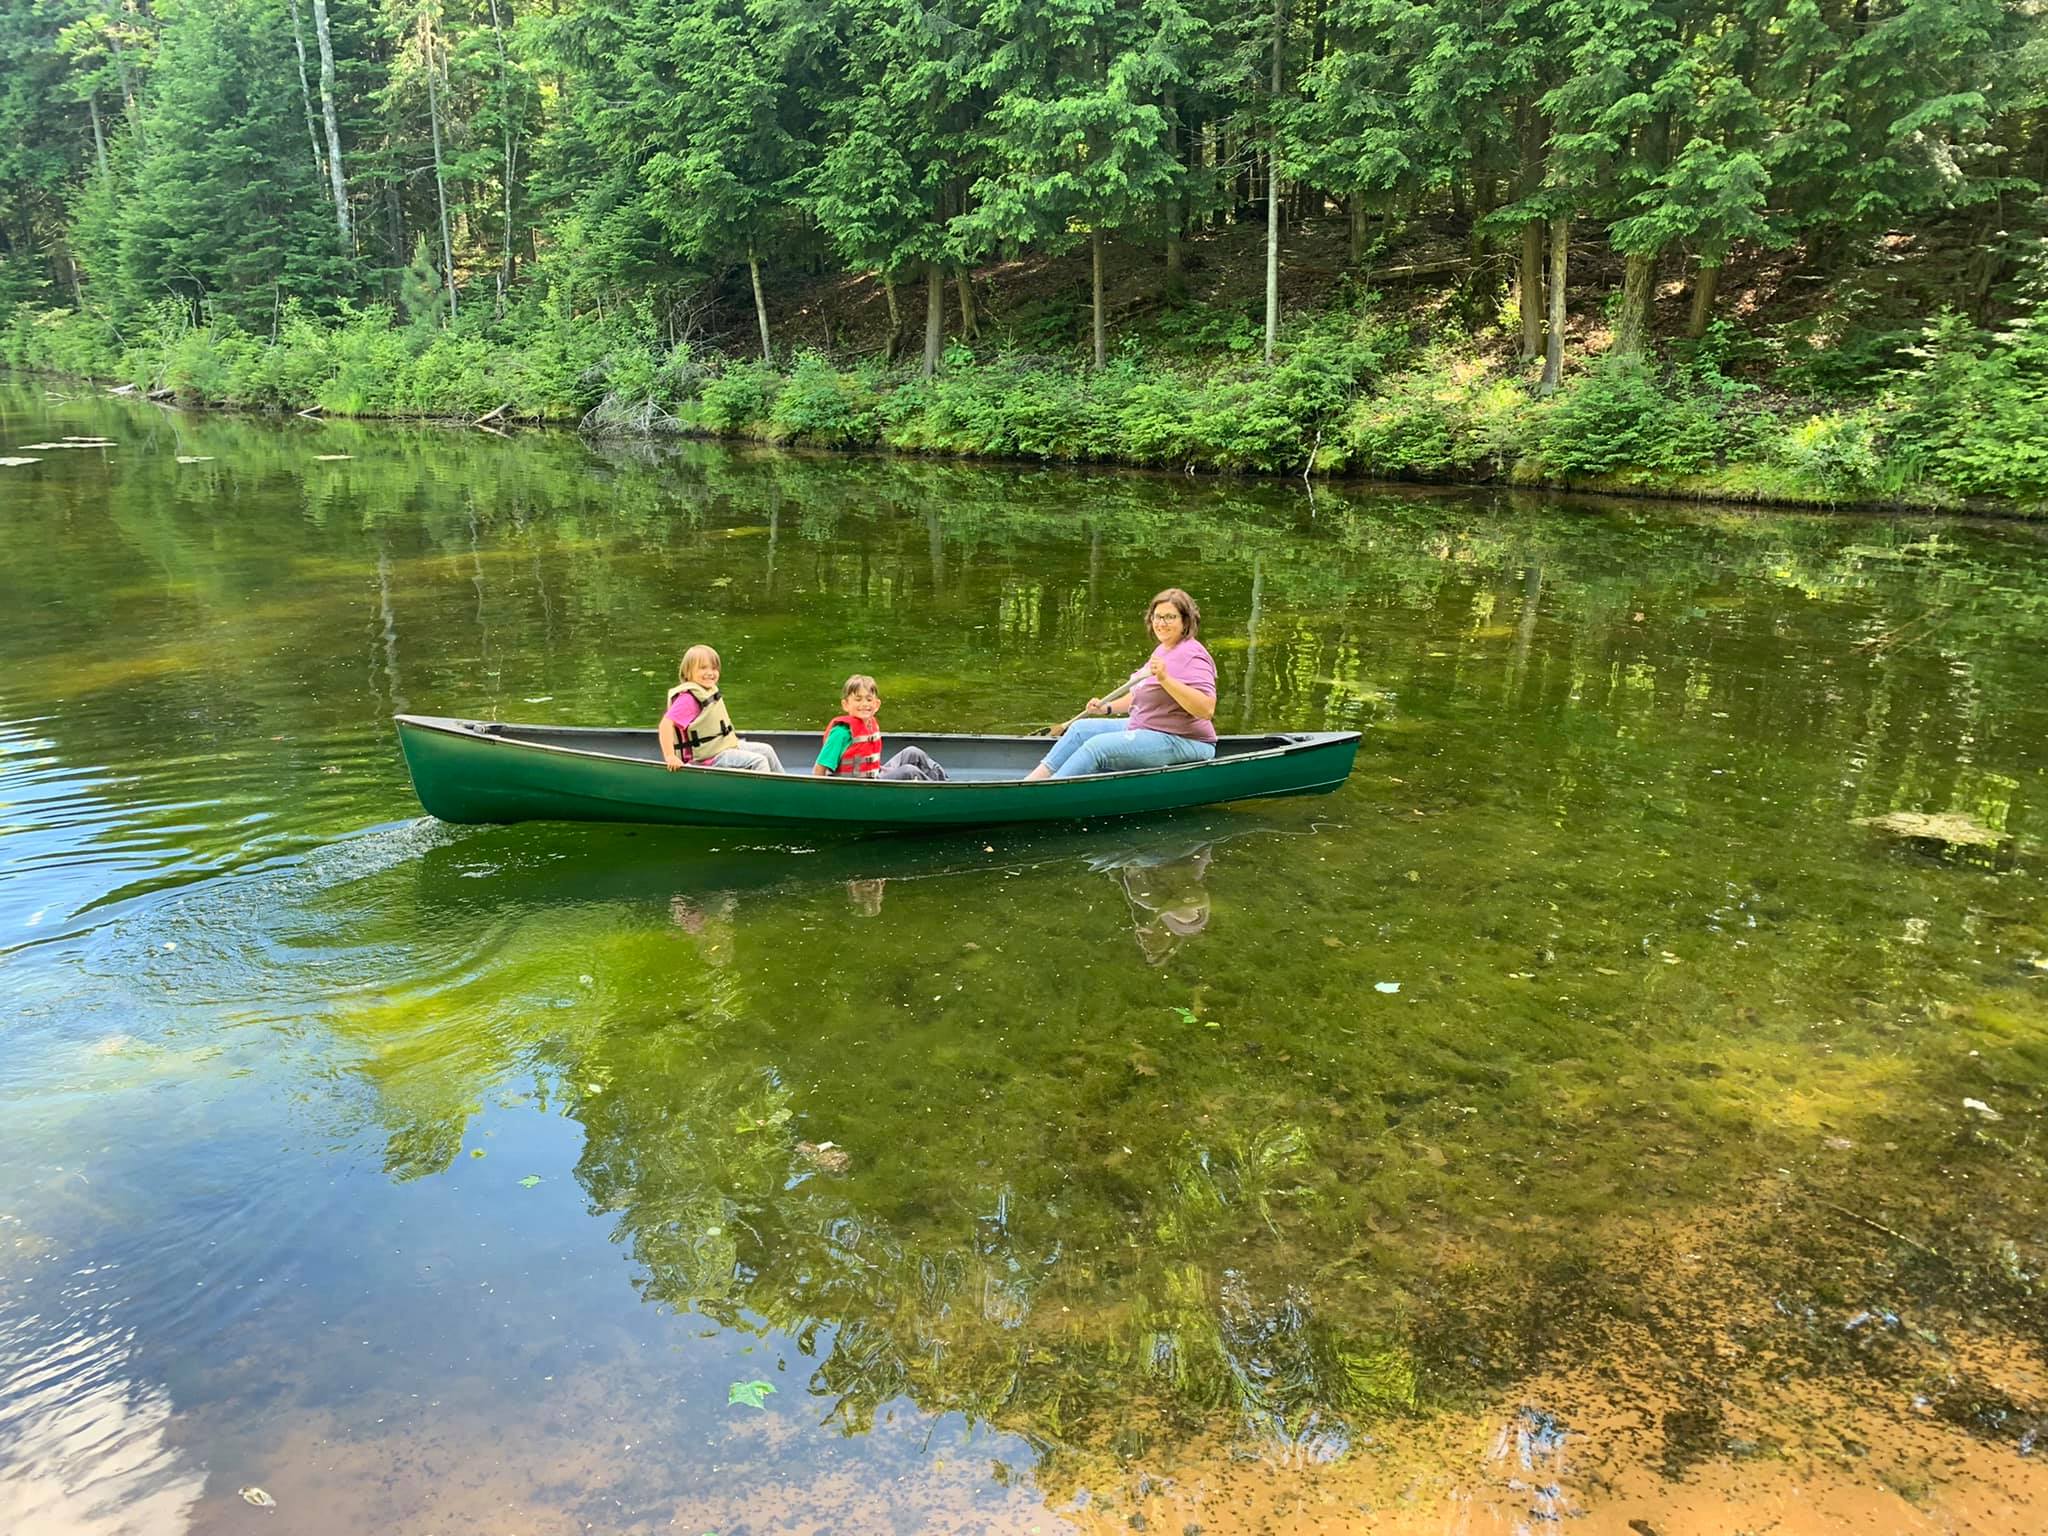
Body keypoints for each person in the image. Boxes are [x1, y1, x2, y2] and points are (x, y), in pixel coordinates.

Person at [1025, 588, 1218, 780]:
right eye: (1157, 617)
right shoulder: (1163, 649)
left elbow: (1206, 710)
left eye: (1170, 617)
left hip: (1184, 740)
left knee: (1097, 747)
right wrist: (1107, 708)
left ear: (1185, 621)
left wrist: (1166, 680)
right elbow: (1140, 694)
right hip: (1147, 727)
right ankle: (1029, 784)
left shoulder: (1194, 656)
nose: (1161, 623)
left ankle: (1046, 794)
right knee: (1079, 730)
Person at [658, 645, 785, 774]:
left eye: (714, 668)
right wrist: (670, 756)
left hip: (722, 747)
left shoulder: (707, 690)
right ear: (687, 672)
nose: (710, 673)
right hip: (708, 759)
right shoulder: (688, 699)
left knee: (766, 750)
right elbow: (665, 725)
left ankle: (786, 787)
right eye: (703, 668)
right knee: (758, 761)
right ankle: (766, 794)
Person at [812, 674, 948, 782]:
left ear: (877, 705)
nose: (864, 704)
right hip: (858, 785)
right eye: (858, 699)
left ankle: (944, 782)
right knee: (909, 771)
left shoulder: (870, 723)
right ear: (846, 704)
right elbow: (820, 766)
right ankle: (941, 796)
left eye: (869, 699)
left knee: (912, 752)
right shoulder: (841, 733)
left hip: (875, 775)